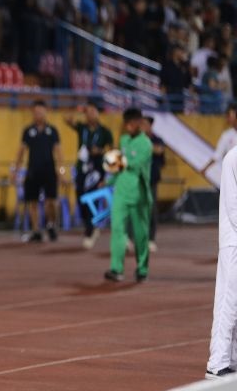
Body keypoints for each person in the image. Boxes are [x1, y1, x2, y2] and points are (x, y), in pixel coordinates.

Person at [105, 108, 152, 283]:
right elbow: (119, 167)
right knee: (117, 230)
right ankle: (116, 268)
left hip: (139, 195)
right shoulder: (124, 139)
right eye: (127, 124)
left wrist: (118, 159)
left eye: (132, 123)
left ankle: (142, 268)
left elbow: (136, 164)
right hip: (121, 193)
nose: (129, 127)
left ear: (139, 123)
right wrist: (108, 181)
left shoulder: (146, 144)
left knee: (140, 234)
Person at [12, 100, 64, 242]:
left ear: (46, 112)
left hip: (49, 171)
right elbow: (21, 152)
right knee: (32, 202)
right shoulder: (28, 131)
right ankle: (36, 230)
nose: (39, 114)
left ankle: (51, 224)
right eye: (36, 112)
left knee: (51, 202)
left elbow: (59, 154)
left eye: (41, 111)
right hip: (33, 171)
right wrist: (15, 170)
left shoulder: (52, 131)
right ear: (33, 113)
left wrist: (61, 171)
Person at [206, 144, 237, 379]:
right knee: (228, 301)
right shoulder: (233, 158)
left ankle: (232, 357)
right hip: (233, 242)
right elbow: (234, 207)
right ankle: (217, 362)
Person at [64, 103, 113, 249]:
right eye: (88, 112)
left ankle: (89, 231)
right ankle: (90, 226)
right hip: (82, 169)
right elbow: (66, 119)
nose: (90, 114)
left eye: (93, 111)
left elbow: (112, 151)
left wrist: (100, 152)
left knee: (93, 198)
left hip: (97, 170)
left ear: (98, 113)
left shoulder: (105, 131)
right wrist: (78, 111)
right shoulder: (82, 128)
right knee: (81, 199)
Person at [143, 116, 165, 252]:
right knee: (136, 208)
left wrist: (148, 147)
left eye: (145, 124)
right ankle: (131, 237)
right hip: (138, 180)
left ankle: (151, 239)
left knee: (151, 209)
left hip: (151, 180)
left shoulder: (157, 139)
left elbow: (160, 152)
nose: (142, 127)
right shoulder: (137, 139)